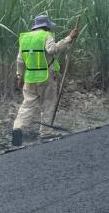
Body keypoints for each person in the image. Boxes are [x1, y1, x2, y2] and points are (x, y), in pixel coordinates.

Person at [12, 14, 78, 146]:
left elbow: (20, 60)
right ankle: (45, 133)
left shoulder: (24, 38)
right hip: (45, 77)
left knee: (27, 104)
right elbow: (52, 49)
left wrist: (20, 77)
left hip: (29, 78)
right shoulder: (46, 36)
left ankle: (17, 127)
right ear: (46, 26)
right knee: (48, 104)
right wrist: (69, 38)